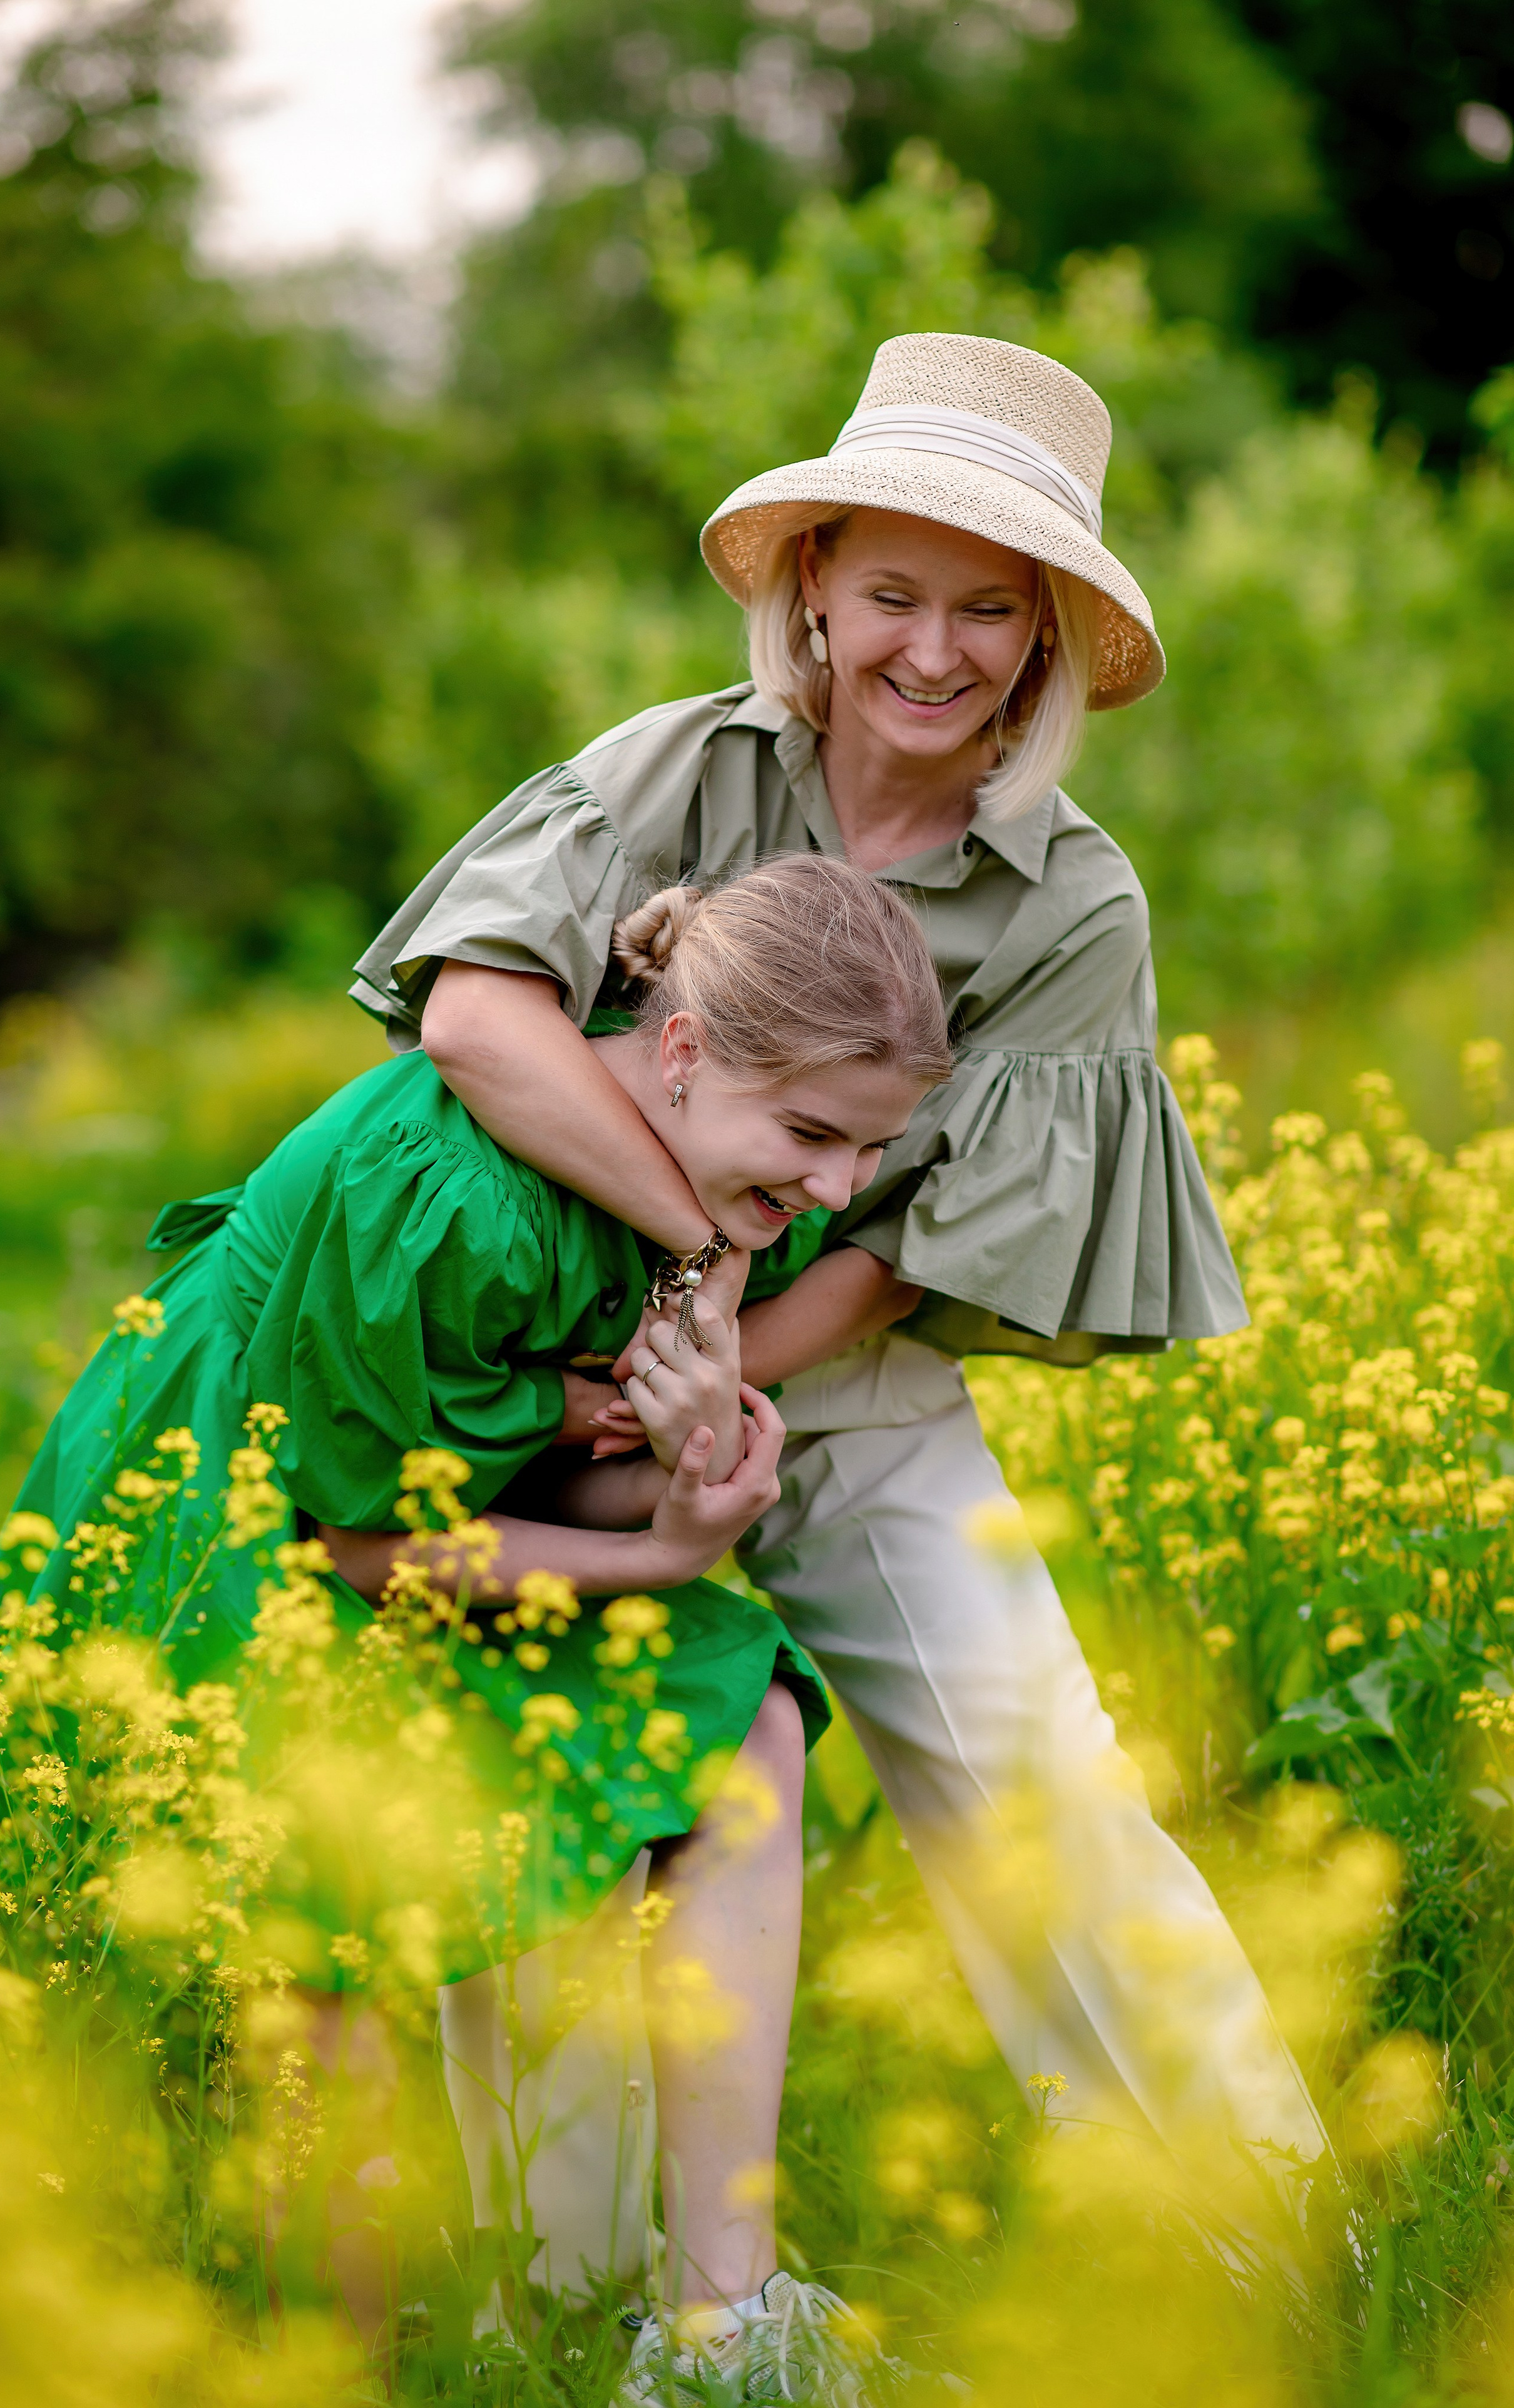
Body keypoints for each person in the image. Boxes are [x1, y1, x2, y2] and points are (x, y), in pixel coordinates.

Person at [350, 332, 1329, 2245]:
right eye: (893, 592)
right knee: (561, 1818)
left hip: (846, 1403)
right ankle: (588, 2295)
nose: (935, 651)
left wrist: (717, 1384)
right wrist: (667, 1326)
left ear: (1044, 642)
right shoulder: (670, 771)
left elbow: (903, 1260)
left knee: (1039, 1791)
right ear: (814, 588)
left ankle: (1262, 2243)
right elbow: (477, 1017)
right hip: (556, 1404)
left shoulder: (1070, 898)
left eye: (990, 610)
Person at [0, 855, 953, 2389]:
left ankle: (717, 2333)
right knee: (320, 1944)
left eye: (860, 1149)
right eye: (810, 1134)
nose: (828, 1185)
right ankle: (331, 2368)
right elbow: (367, 1543)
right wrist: (672, 1549)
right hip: (234, 1523)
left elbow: (526, 1464)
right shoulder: (447, 1191)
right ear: (677, 1053)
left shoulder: (733, 1189)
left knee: (745, 1715)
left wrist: (675, 1480)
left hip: (422, 1518)